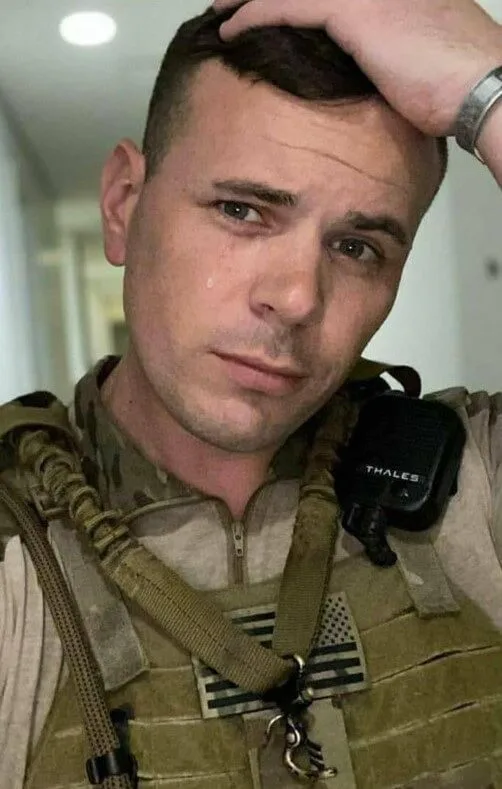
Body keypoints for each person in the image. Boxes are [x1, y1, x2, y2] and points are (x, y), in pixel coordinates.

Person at [1, 1, 502, 787]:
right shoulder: (15, 557)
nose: (297, 297)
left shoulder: (471, 487)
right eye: (242, 210)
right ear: (124, 204)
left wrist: (488, 88)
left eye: (357, 246)